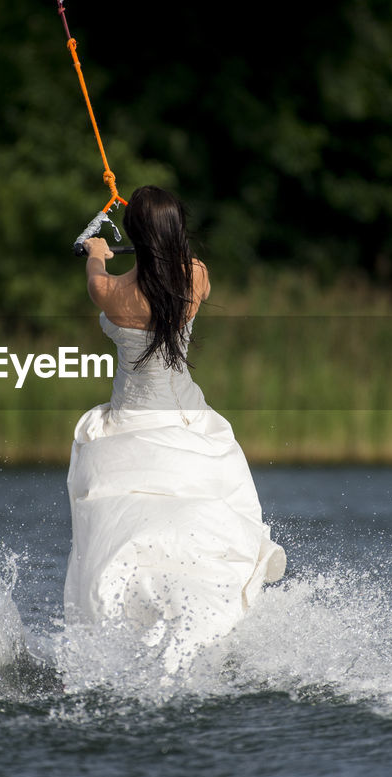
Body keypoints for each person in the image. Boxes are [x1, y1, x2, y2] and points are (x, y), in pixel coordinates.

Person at [64, 185, 286, 673]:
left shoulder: (108, 290)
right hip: (187, 420)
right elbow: (178, 265)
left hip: (129, 425)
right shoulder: (197, 278)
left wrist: (98, 250)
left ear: (137, 238)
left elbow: (96, 271)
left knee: (126, 529)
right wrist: (157, 242)